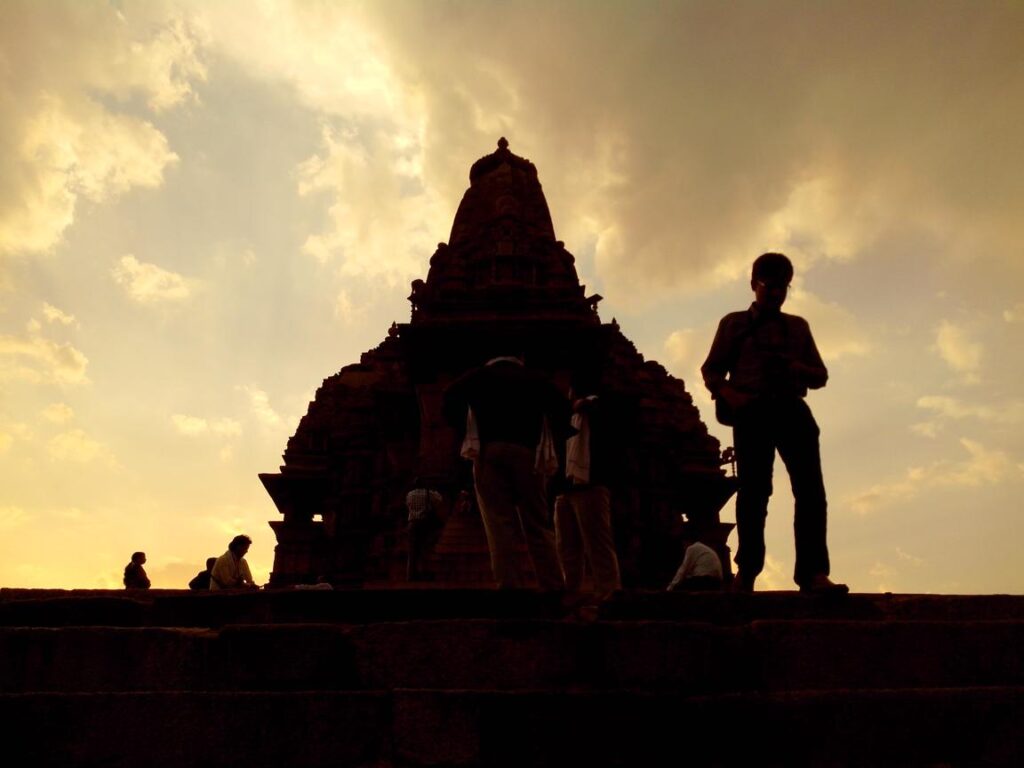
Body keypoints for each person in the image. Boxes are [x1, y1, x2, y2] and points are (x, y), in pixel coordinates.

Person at [701, 252, 847, 594]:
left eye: (781, 287)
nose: (775, 294)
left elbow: (821, 375)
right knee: (754, 493)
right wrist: (730, 394)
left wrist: (795, 367)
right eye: (768, 287)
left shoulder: (797, 328)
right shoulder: (734, 324)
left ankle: (813, 574)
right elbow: (711, 370)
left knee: (811, 492)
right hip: (751, 411)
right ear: (754, 285)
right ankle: (747, 572)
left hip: (792, 410)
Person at [443, 354, 569, 590]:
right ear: (520, 358)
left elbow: (449, 399)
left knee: (498, 522)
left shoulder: (479, 377)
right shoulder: (535, 378)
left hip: (488, 451)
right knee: (537, 522)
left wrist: (467, 425)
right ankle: (553, 585)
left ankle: (510, 586)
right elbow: (563, 410)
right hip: (528, 452)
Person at [553, 392, 623, 605]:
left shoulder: (601, 410)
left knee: (597, 543)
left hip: (591, 483)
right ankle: (571, 591)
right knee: (566, 546)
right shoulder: (565, 415)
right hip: (565, 486)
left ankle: (609, 593)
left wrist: (587, 406)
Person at [406, 480, 443, 581]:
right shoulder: (428, 493)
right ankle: (422, 573)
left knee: (412, 551)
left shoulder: (409, 494)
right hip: (424, 523)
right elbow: (439, 499)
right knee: (423, 549)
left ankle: (410, 575)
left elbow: (408, 505)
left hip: (412, 524)